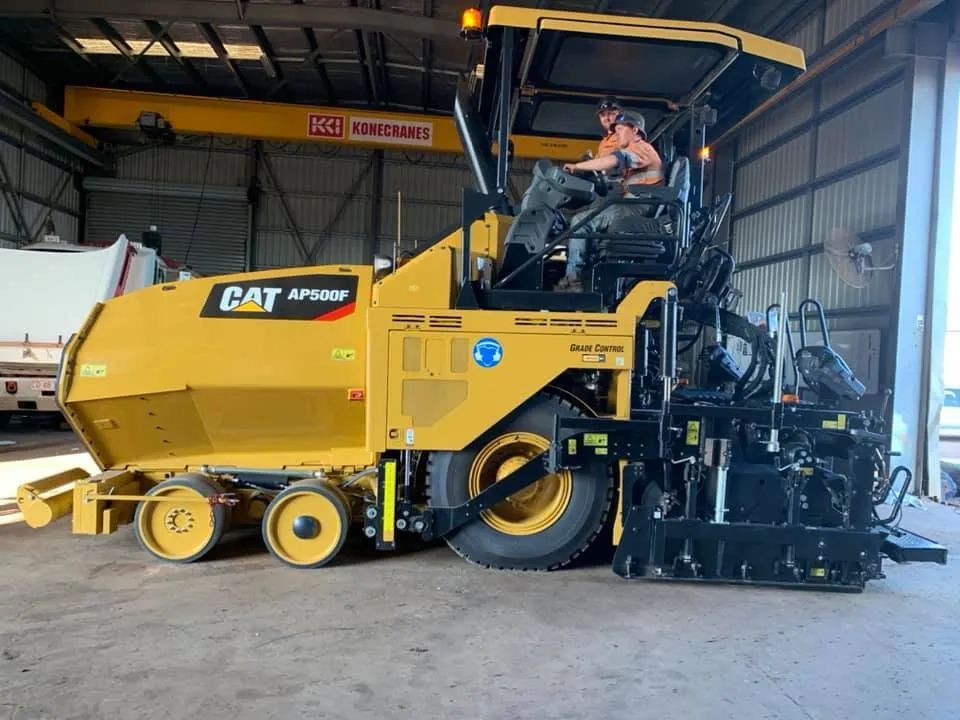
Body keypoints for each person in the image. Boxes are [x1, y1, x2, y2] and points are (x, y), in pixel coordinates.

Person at [558, 111, 664, 291]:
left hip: (636, 207)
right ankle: (583, 274)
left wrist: (577, 167)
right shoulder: (636, 151)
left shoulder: (641, 148)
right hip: (631, 204)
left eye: (621, 129)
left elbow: (613, 160)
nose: (616, 134)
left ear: (635, 130)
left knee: (580, 222)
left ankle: (573, 279)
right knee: (587, 218)